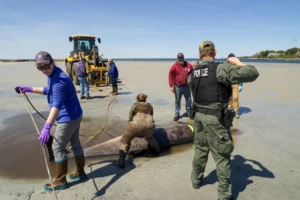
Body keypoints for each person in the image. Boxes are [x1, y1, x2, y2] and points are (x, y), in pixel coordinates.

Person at [188, 41, 259, 200]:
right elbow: (253, 73)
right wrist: (237, 62)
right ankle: (225, 195)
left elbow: (191, 85)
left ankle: (196, 180)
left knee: (200, 150)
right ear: (215, 52)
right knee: (222, 156)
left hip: (198, 117)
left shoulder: (193, 73)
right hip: (215, 119)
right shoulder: (221, 69)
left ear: (199, 54)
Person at [14, 51, 87, 191]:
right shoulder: (55, 74)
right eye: (39, 68)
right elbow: (49, 90)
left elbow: (57, 105)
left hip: (67, 119)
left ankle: (60, 181)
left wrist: (47, 127)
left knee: (57, 148)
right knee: (75, 144)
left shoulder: (59, 80)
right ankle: (81, 172)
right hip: (76, 115)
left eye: (46, 66)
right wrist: (29, 89)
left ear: (52, 62)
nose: (44, 70)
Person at [113, 93, 160, 168]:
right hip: (150, 125)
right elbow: (151, 115)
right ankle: (157, 151)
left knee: (125, 141)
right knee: (149, 138)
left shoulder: (135, 105)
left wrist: (132, 126)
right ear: (145, 99)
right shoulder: (150, 105)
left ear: (137, 99)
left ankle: (121, 163)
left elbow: (130, 116)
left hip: (136, 125)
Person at [168, 53, 194, 121]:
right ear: (177, 58)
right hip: (177, 86)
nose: (180, 59)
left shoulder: (189, 65)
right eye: (179, 58)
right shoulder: (174, 66)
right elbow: (170, 76)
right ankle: (177, 114)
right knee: (177, 101)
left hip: (187, 86)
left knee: (188, 100)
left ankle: (189, 113)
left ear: (183, 57)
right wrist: (171, 86)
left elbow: (193, 73)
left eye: (181, 57)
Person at [227, 53, 241, 118]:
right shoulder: (226, 65)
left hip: (235, 83)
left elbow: (241, 74)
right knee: (229, 98)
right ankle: (229, 110)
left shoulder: (237, 65)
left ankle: (236, 111)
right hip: (228, 83)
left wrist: (241, 84)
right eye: (230, 58)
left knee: (235, 97)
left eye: (233, 58)